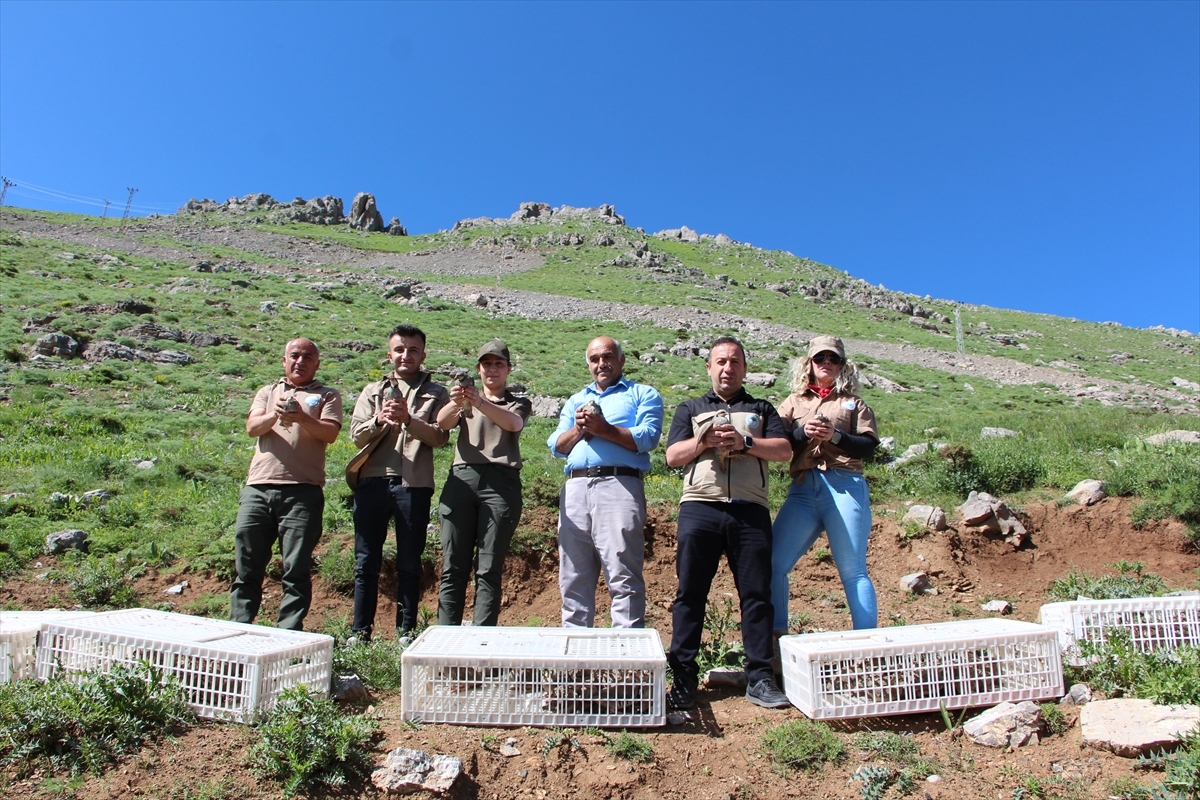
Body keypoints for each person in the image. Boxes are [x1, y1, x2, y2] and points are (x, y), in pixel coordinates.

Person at [663, 336, 794, 709]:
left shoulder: (762, 407)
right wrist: (703, 441)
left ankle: (760, 678)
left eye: (734, 362)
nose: (727, 368)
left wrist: (745, 442)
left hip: (750, 511)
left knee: (756, 597)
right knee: (689, 595)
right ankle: (684, 679)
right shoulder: (690, 407)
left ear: (744, 368)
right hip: (699, 509)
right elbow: (673, 456)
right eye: (720, 361)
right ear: (708, 367)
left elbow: (784, 451)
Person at [547, 336, 663, 628]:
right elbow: (556, 446)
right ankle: (575, 664)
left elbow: (648, 437)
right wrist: (579, 429)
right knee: (573, 575)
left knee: (622, 573)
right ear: (588, 364)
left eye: (608, 357)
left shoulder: (643, 394)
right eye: (595, 359)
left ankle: (626, 663)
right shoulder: (575, 400)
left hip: (619, 486)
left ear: (621, 360)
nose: (602, 364)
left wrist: (604, 429)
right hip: (575, 489)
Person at [230, 337, 343, 630]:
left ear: (317, 364)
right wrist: (275, 414)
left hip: (303, 491)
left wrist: (302, 417)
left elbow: (330, 433)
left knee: (296, 567)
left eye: (308, 357)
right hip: (258, 488)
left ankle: (289, 632)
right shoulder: (268, 392)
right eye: (294, 355)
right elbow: (252, 427)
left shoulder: (328, 395)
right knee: (247, 564)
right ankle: (239, 626)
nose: (300, 361)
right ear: (284, 360)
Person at [771, 335, 880, 634]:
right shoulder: (792, 403)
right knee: (772, 562)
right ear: (810, 363)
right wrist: (803, 432)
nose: (827, 364)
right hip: (803, 489)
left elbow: (868, 446)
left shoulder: (855, 404)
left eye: (834, 359)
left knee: (853, 569)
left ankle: (867, 646)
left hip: (845, 484)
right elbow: (779, 442)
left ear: (843, 365)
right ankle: (777, 641)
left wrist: (836, 436)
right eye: (821, 358)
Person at [348, 324, 450, 639]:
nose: (406, 355)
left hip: (413, 484)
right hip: (372, 481)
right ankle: (360, 631)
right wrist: (380, 419)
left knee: (409, 560)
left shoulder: (437, 393)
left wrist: (409, 420)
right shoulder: (372, 391)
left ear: (423, 354)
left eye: (413, 350)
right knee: (366, 561)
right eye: (400, 349)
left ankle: (405, 631)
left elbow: (440, 437)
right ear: (390, 353)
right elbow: (355, 435)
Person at [434, 339, 532, 626]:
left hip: (501, 483)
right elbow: (442, 424)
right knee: (453, 566)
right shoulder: (463, 401)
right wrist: (457, 402)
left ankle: (481, 641)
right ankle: (445, 639)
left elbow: (514, 424)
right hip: (462, 479)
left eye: (498, 364)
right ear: (478, 369)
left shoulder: (518, 402)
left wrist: (480, 402)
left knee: (488, 568)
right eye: (487, 364)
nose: (492, 370)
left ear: (509, 369)